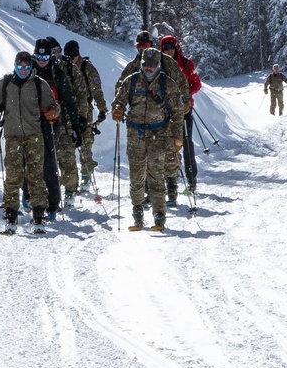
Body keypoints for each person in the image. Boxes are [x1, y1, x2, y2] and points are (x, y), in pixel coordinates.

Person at [0, 50, 60, 234]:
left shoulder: (39, 84)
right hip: (12, 136)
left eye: (27, 67)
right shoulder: (5, 84)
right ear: (14, 66)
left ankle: (38, 215)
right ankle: (11, 216)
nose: (23, 70)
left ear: (31, 67)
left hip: (34, 135)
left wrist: (53, 111)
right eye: (20, 67)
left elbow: (54, 105)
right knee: (13, 176)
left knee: (36, 175)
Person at [111, 47, 188, 232]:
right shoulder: (131, 82)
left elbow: (178, 112)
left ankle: (159, 216)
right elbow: (118, 101)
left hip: (159, 134)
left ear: (158, 65)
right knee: (136, 177)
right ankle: (137, 215)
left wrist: (177, 137)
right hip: (135, 134)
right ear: (141, 64)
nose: (149, 68)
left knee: (155, 175)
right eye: (146, 64)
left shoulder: (167, 84)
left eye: (152, 65)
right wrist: (117, 110)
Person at [160, 34, 202, 196]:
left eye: (171, 47)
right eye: (166, 48)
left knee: (185, 141)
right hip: (165, 110)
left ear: (176, 47)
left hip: (184, 109)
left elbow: (196, 84)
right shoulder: (159, 64)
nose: (169, 51)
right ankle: (171, 176)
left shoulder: (186, 63)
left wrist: (185, 95)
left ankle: (191, 179)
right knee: (167, 142)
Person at [46, 36, 85, 208]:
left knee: (67, 157)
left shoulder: (69, 68)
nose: (56, 54)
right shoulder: (42, 70)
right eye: (52, 51)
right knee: (47, 159)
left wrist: (81, 119)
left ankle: (70, 191)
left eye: (58, 51)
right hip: (47, 122)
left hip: (68, 121)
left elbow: (82, 94)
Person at [64, 39, 107, 189]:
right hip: (67, 110)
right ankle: (69, 179)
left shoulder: (87, 68)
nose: (71, 60)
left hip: (85, 109)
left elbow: (96, 89)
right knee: (67, 143)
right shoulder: (64, 67)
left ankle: (86, 174)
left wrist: (102, 109)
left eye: (73, 56)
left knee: (85, 141)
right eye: (68, 57)